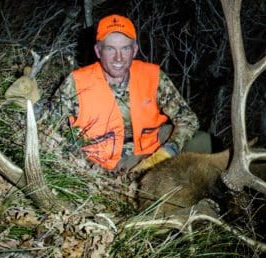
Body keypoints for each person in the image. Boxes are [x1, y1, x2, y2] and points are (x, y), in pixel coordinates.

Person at [44, 14, 207, 173]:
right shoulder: (77, 82)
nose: (118, 58)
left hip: (151, 150)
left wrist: (167, 151)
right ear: (98, 51)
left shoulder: (152, 76)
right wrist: (81, 164)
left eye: (125, 48)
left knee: (203, 142)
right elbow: (49, 129)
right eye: (110, 49)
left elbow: (188, 119)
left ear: (134, 50)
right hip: (104, 163)